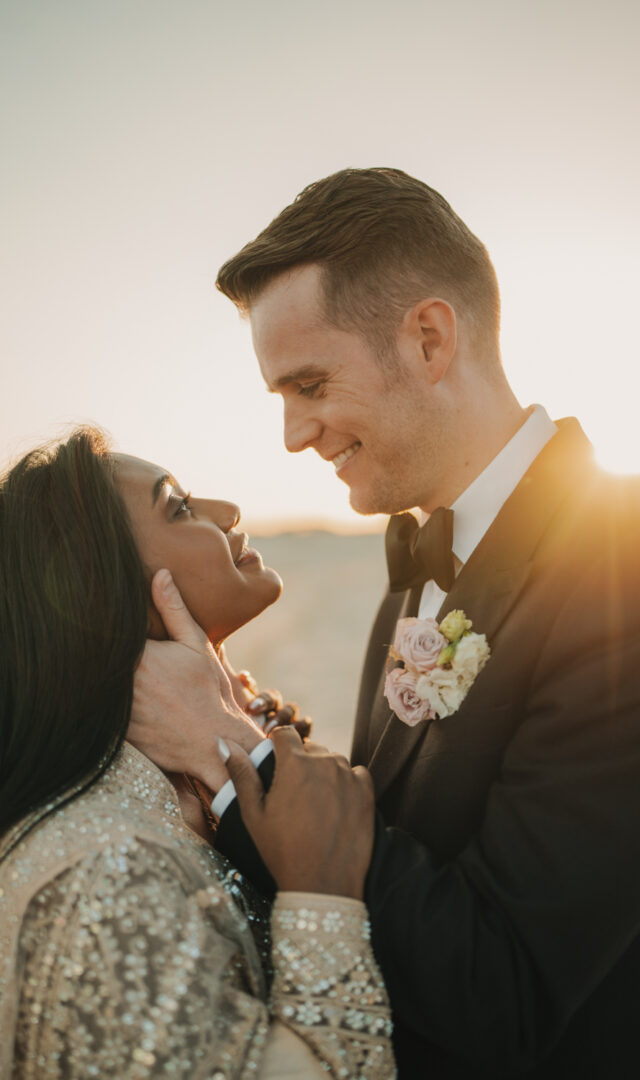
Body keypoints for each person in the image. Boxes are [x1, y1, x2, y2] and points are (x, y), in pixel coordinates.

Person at [129, 169, 640, 1078]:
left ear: (430, 339)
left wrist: (229, 750)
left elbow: (508, 991)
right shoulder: (414, 570)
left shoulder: (619, 568)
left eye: (312, 384)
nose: (293, 434)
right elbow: (401, 829)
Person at [0, 427, 395, 1078]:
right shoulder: (105, 880)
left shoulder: (173, 792)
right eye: (179, 506)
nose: (228, 512)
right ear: (97, 598)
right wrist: (322, 899)